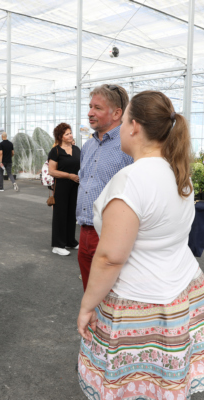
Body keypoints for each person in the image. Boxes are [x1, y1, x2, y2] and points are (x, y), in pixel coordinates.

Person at [77, 91, 204, 400]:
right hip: (182, 293)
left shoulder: (131, 179)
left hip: (139, 303)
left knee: (131, 387)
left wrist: (87, 306)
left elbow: (110, 258)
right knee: (162, 386)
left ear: (133, 126)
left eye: (123, 121)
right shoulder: (177, 172)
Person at [76, 84, 133, 290]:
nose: (90, 113)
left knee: (114, 293)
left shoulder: (128, 145)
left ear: (117, 113)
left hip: (112, 233)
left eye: (97, 108)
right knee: (90, 292)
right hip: (85, 230)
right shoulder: (88, 145)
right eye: (90, 107)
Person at [47, 123, 80, 256]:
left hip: (75, 185)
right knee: (60, 214)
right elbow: (52, 171)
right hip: (62, 186)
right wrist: (69, 176)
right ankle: (57, 245)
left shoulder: (77, 149)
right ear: (60, 136)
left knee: (72, 213)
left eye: (70, 132)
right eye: (67, 134)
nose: (70, 135)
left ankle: (70, 241)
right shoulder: (55, 151)